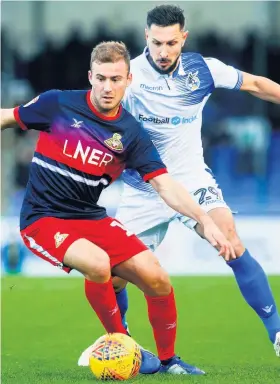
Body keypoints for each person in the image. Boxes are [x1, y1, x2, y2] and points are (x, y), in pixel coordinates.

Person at [1, 41, 235, 375]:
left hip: (88, 216)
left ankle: (169, 362)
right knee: (98, 264)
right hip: (43, 218)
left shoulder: (131, 134)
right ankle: (124, 346)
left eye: (115, 79)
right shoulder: (57, 104)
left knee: (157, 278)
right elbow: (9, 117)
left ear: (128, 80)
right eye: (101, 78)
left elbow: (164, 184)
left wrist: (204, 219)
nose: (108, 87)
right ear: (90, 77)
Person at [80, 5, 280, 370]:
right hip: (143, 189)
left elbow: (255, 84)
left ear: (183, 39)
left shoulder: (203, 69)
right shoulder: (128, 76)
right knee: (111, 274)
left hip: (190, 179)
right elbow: (91, 111)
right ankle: (118, 341)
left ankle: (278, 334)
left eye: (171, 42)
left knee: (231, 242)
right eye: (156, 42)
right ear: (146, 37)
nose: (163, 51)